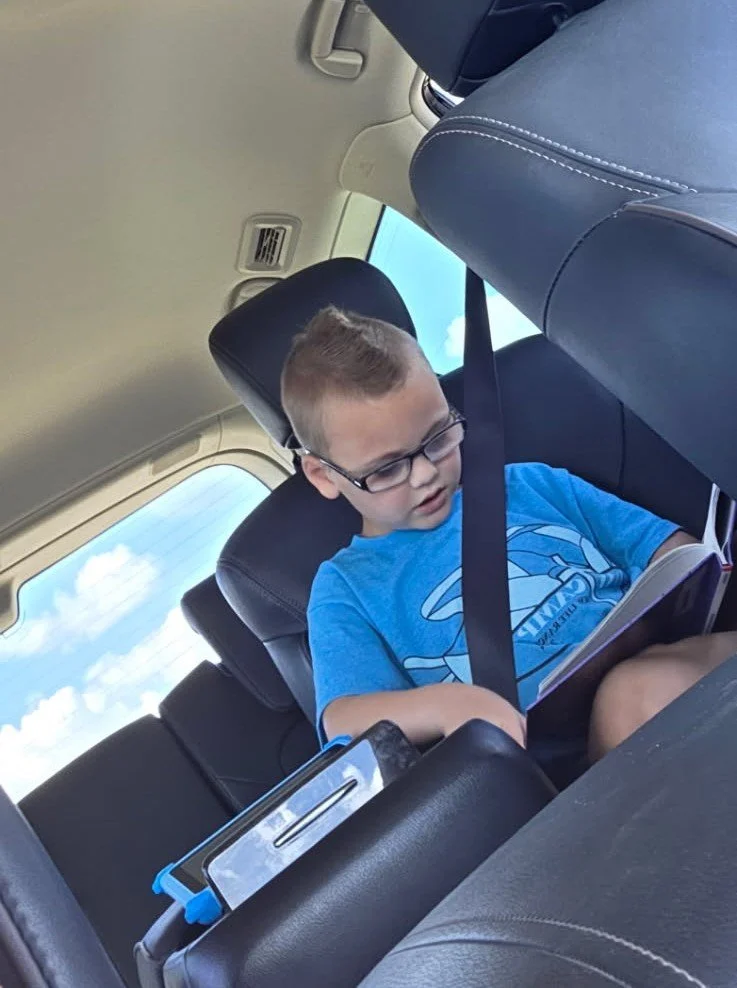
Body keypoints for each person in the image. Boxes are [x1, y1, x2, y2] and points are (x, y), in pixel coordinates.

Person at [281, 306, 737, 759]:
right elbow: (343, 717)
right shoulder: (347, 585)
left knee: (642, 684)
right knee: (634, 694)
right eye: (386, 469)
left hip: (672, 661)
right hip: (568, 760)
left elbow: (670, 550)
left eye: (439, 437)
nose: (425, 474)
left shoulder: (531, 483)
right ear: (324, 475)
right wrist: (445, 705)